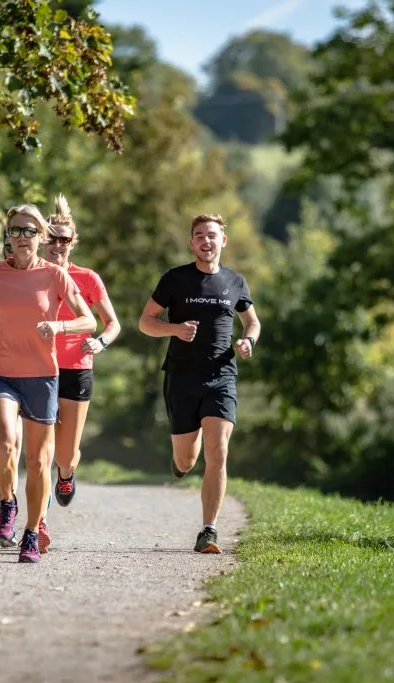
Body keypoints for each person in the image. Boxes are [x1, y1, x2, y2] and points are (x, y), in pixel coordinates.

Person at [0, 204, 96, 563]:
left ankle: (32, 533)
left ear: (41, 236)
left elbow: (88, 321)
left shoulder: (54, 275)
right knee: (5, 443)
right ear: (7, 235)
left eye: (29, 231)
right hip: (2, 371)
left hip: (42, 375)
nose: (22, 237)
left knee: (39, 461)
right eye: (15, 231)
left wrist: (59, 327)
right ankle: (7, 503)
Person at [138, 213, 261, 554]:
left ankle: (209, 530)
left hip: (222, 376)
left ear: (223, 241)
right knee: (188, 459)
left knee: (218, 452)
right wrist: (174, 329)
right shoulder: (175, 279)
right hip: (181, 377)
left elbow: (252, 322)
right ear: (192, 243)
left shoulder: (236, 281)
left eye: (212, 235)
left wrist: (249, 341)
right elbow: (145, 321)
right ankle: (179, 464)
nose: (206, 241)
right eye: (199, 236)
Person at [40, 194, 120, 507]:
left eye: (64, 240)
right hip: (36, 368)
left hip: (76, 368)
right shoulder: (32, 275)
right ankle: (39, 519)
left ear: (73, 242)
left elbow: (112, 323)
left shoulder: (87, 278)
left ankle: (67, 472)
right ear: (43, 241)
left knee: (66, 454)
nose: (57, 245)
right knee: (41, 450)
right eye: (52, 239)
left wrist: (100, 342)